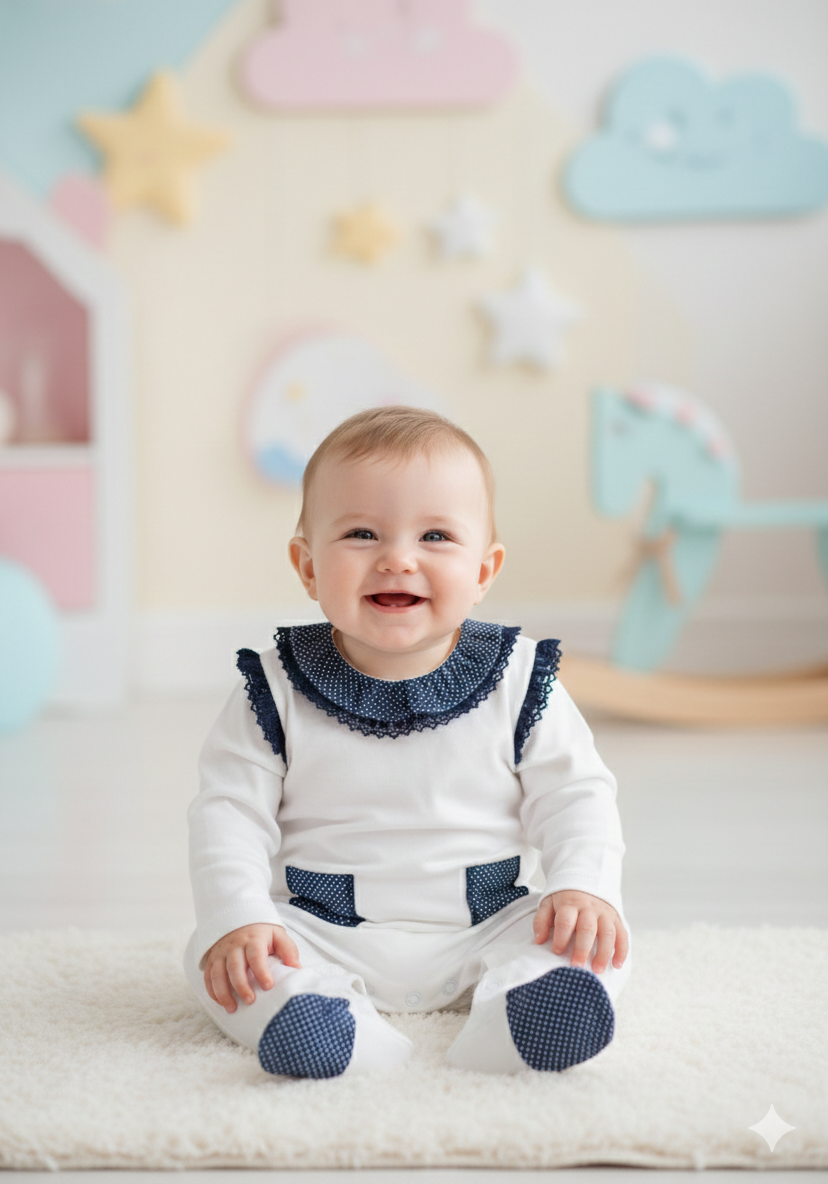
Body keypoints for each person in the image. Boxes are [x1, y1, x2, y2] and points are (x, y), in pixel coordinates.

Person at [184, 406, 630, 1079]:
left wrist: (581, 887)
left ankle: (515, 1023)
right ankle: (326, 1025)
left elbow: (577, 796)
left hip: (488, 923)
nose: (398, 558)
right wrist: (240, 917)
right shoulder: (273, 689)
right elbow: (228, 814)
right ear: (307, 566)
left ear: (484, 570)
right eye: (362, 533)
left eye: (436, 536)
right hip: (322, 931)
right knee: (215, 955)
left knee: (597, 945)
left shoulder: (519, 680)